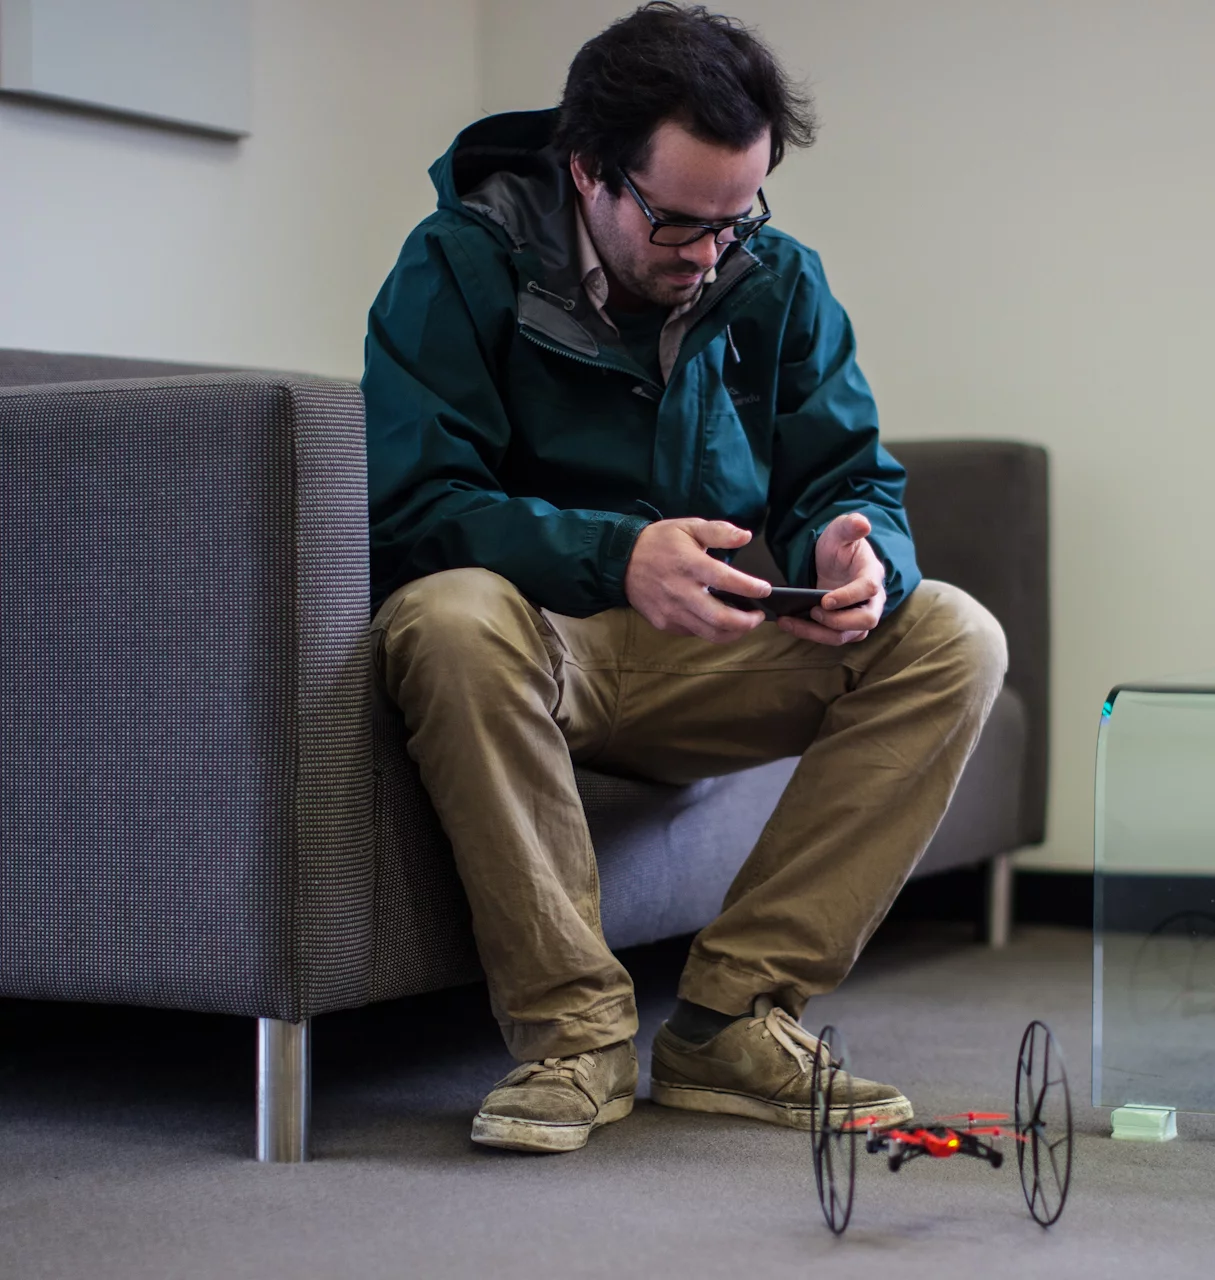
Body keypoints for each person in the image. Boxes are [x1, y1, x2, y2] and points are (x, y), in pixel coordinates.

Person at [361, 2, 1007, 1154]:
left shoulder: (778, 280)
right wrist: (613, 557)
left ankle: (730, 1019)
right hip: (531, 644)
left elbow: (852, 474)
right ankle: (573, 1036)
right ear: (589, 172)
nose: (710, 251)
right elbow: (414, 510)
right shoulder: (458, 262)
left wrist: (855, 550)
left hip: (702, 654)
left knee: (952, 631)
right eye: (675, 221)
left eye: (737, 213)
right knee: (447, 615)